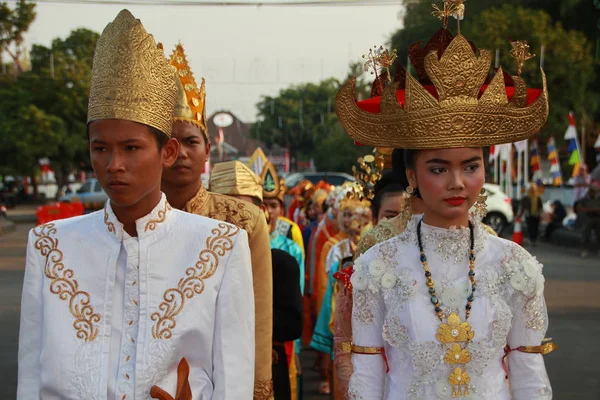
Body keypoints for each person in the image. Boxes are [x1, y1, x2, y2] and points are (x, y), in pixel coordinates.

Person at [18, 10, 255, 399]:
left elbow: (234, 378)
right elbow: (29, 376)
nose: (114, 165)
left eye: (131, 148)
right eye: (100, 149)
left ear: (167, 152)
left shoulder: (220, 246)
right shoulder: (50, 246)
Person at [336, 11, 554, 398]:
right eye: (438, 168)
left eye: (470, 166)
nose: (457, 183)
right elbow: (367, 377)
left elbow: (529, 374)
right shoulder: (375, 267)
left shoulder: (516, 266)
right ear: (412, 177)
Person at [160, 43, 273, 399]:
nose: (181, 152)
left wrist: (257, 390)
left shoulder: (244, 220)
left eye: (191, 141)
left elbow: (257, 320)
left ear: (208, 150)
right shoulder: (131, 218)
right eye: (170, 142)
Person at [209, 160, 304, 400]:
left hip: (266, 368)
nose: (232, 219)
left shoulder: (281, 263)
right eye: (223, 207)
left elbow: (292, 325)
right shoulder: (195, 261)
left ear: (260, 214)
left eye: (242, 209)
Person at [577, 181, 600, 258]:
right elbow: (579, 208)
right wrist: (590, 210)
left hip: (598, 218)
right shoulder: (585, 199)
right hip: (588, 218)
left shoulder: (598, 198)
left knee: (598, 234)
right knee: (585, 234)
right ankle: (584, 250)